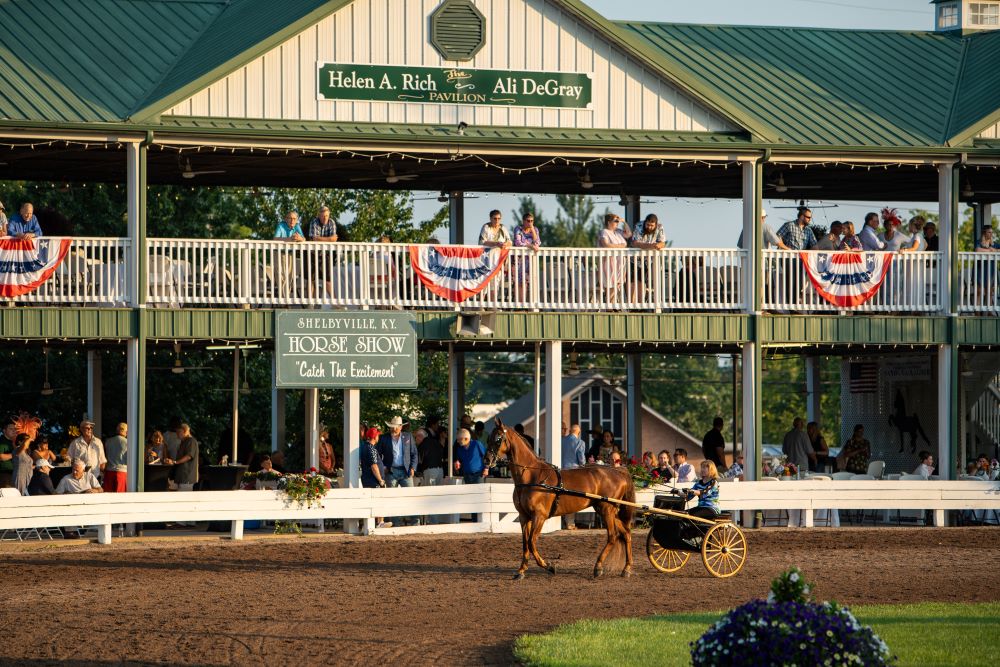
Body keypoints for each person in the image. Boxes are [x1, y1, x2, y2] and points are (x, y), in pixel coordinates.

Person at [597, 213, 632, 304]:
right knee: (610, 284)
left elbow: (629, 234)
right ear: (609, 222)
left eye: (617, 221)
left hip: (620, 263)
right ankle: (610, 306)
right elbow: (605, 244)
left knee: (617, 284)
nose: (617, 223)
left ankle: (612, 305)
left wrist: (624, 222)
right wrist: (620, 246)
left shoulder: (619, 232)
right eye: (615, 221)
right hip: (609, 262)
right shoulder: (604, 231)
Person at [377, 416, 418, 488]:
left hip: (406, 471)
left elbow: (414, 453)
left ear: (401, 427)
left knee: (410, 495)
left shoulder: (408, 436)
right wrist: (383, 467)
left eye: (396, 427)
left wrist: (412, 468)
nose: (394, 429)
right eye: (392, 427)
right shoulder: (383, 438)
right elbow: (378, 454)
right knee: (392, 496)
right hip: (390, 471)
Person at [560, 423, 586, 529]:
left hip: (560, 472)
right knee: (571, 498)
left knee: (560, 497)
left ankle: (561, 522)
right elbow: (581, 461)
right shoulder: (580, 442)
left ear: (570, 431)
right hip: (573, 473)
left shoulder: (562, 440)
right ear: (578, 432)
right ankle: (570, 523)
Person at [512, 212, 541, 300]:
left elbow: (538, 243)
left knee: (529, 282)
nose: (530, 223)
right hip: (519, 259)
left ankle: (526, 303)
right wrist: (530, 246)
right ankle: (519, 303)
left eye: (532, 221)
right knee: (519, 282)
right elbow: (518, 243)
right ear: (523, 221)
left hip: (530, 260)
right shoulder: (518, 229)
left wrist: (532, 230)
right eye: (528, 221)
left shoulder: (535, 229)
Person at [169, 423, 199, 491]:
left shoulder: (191, 441)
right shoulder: (183, 442)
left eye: (179, 432)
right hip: (181, 477)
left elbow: (188, 456)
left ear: (185, 431)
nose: (177, 434)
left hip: (187, 477)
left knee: (183, 499)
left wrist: (175, 462)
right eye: (176, 432)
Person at [0, 419, 17, 488]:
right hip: (4, 475)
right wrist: (15, 454)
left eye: (14, 429)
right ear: (4, 431)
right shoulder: (1, 441)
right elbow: (1, 457)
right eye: (11, 429)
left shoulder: (12, 443)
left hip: (13, 474)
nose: (14, 430)